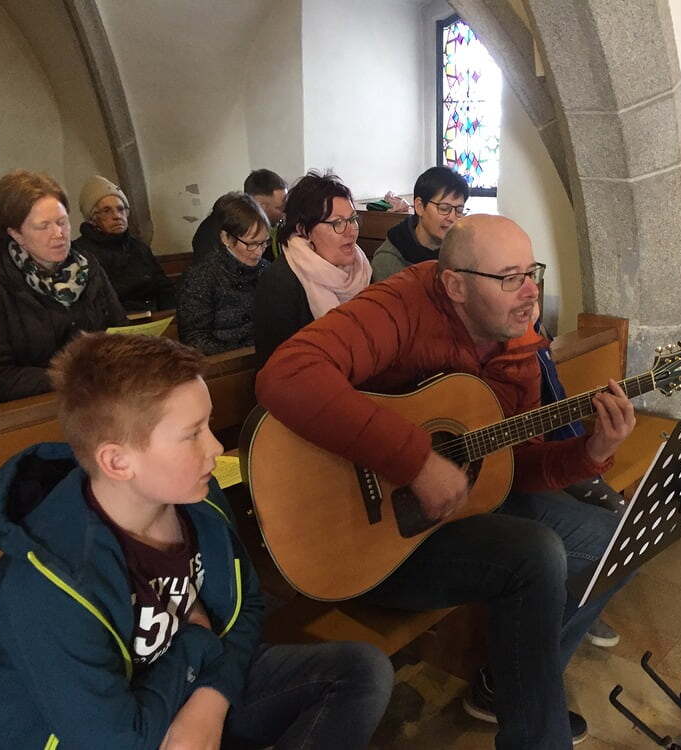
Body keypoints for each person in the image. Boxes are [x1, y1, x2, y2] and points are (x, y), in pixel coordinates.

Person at [256, 214, 637, 748]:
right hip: (371, 537)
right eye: (509, 278)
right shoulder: (401, 305)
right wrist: (415, 461)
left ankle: (511, 686)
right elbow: (287, 374)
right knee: (537, 554)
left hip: (462, 510)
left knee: (622, 540)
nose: (531, 293)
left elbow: (512, 466)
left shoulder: (520, 343)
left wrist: (590, 452)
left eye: (532, 273)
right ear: (455, 284)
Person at [0, 332, 394, 748]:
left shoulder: (196, 497)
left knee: (360, 672)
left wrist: (209, 704)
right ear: (118, 461)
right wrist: (196, 639)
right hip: (108, 733)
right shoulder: (46, 586)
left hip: (193, 683)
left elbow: (246, 604)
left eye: (209, 425)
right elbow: (115, 740)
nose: (215, 447)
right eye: (192, 433)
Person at [0, 170, 127, 405]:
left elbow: (119, 329)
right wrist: (72, 377)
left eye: (62, 222)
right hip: (32, 409)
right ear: (16, 234)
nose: (59, 234)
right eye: (43, 226)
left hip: (101, 397)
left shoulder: (88, 265)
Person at [254, 171, 371, 366]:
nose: (351, 231)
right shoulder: (280, 283)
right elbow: (278, 367)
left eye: (352, 219)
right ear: (303, 230)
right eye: (338, 223)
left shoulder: (363, 268)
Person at [178, 192, 270, 355]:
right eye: (251, 244)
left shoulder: (268, 270)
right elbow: (194, 338)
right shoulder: (202, 276)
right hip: (224, 362)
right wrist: (240, 354)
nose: (258, 252)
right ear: (226, 238)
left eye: (263, 243)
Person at [73, 174, 176, 312]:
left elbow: (164, 288)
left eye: (121, 209)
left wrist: (169, 315)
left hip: (154, 316)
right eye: (106, 211)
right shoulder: (80, 253)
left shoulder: (139, 247)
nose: (117, 216)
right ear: (92, 218)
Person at [370, 165, 469, 282]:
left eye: (459, 210)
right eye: (444, 208)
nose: (452, 218)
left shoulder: (463, 248)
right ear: (420, 207)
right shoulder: (388, 260)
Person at [193, 169, 288, 263]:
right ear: (259, 205)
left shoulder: (276, 225)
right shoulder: (209, 235)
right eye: (280, 207)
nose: (285, 212)